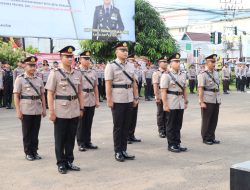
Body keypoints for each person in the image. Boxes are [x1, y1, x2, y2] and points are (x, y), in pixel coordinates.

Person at [46, 46, 84, 174]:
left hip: (74, 109)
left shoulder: (78, 73)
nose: (69, 58)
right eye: (66, 56)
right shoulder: (55, 73)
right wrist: (51, 111)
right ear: (61, 58)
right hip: (61, 111)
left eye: (71, 56)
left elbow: (80, 93)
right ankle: (61, 163)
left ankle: (69, 161)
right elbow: (50, 93)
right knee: (60, 138)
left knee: (70, 138)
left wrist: (81, 108)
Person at [105, 42, 139, 162]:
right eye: (122, 50)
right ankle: (118, 151)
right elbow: (108, 84)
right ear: (116, 52)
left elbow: (133, 82)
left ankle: (124, 150)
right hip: (117, 99)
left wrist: (136, 97)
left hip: (129, 98)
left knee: (126, 126)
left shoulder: (130, 66)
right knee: (118, 126)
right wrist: (109, 99)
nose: (125, 52)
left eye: (126, 50)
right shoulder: (111, 66)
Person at [13, 56, 46, 161]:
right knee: (27, 132)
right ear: (25, 66)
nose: (33, 67)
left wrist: (44, 109)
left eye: (34, 65)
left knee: (35, 132)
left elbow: (42, 95)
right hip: (26, 109)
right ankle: (28, 152)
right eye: (30, 65)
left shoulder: (39, 79)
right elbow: (16, 96)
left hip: (37, 108)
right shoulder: (20, 79)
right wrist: (18, 110)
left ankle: (35, 151)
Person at [160, 53, 188, 153]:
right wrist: (165, 104)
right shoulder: (166, 75)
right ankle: (171, 144)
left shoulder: (183, 74)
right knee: (170, 124)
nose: (178, 63)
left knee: (178, 124)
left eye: (179, 61)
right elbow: (163, 91)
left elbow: (184, 89)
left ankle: (177, 143)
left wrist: (185, 101)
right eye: (175, 61)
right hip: (171, 102)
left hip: (180, 101)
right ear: (170, 63)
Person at [77, 51, 100, 151]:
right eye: (85, 58)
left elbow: (95, 87)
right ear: (80, 60)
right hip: (81, 98)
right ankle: (81, 142)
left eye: (88, 58)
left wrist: (97, 100)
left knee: (89, 122)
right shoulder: (76, 72)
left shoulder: (93, 72)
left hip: (91, 98)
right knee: (81, 123)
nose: (87, 60)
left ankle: (88, 141)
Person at [198, 54, 221, 145]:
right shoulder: (202, 74)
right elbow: (200, 88)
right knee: (206, 120)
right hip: (207, 99)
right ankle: (205, 137)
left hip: (215, 99)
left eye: (214, 61)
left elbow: (217, 86)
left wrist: (218, 99)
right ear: (207, 62)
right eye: (212, 61)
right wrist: (201, 101)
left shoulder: (215, 73)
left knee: (214, 119)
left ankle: (211, 136)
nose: (214, 63)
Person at [152, 56, 169, 138]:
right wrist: (157, 97)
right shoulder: (156, 73)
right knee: (161, 114)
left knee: (168, 114)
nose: (166, 63)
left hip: (169, 96)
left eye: (166, 61)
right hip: (161, 96)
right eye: (163, 61)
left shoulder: (169, 72)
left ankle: (167, 129)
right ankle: (161, 130)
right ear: (159, 63)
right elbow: (155, 86)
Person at [127, 54, 141, 144]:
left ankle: (132, 135)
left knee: (134, 117)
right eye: (132, 61)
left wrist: (136, 97)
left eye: (134, 61)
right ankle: (127, 136)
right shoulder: (127, 71)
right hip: (127, 96)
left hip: (134, 96)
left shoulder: (135, 71)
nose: (134, 63)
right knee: (128, 117)